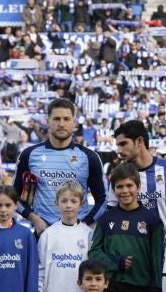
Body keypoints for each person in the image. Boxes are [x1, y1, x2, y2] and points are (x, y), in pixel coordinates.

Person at [88, 163, 166, 292]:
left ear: (138, 187)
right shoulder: (105, 219)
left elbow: (158, 258)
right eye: (120, 186)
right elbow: (94, 252)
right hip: (112, 290)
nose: (125, 191)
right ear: (114, 190)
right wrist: (116, 262)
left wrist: (156, 290)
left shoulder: (152, 220)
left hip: (142, 291)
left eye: (129, 185)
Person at [14, 97, 107, 233]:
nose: (61, 124)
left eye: (66, 119)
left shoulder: (89, 157)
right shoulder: (29, 155)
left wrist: (86, 224)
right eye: (56, 119)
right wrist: (34, 219)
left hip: (78, 234)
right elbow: (13, 196)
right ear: (47, 122)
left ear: (74, 122)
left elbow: (103, 200)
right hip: (43, 233)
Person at [112, 119, 166, 235]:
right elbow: (113, 217)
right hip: (137, 246)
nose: (118, 151)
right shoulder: (118, 176)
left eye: (123, 144)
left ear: (139, 141)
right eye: (118, 145)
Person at [37, 180, 92, 292]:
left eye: (73, 201)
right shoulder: (48, 235)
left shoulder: (88, 234)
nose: (69, 205)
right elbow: (40, 270)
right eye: (64, 201)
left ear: (81, 204)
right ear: (56, 203)